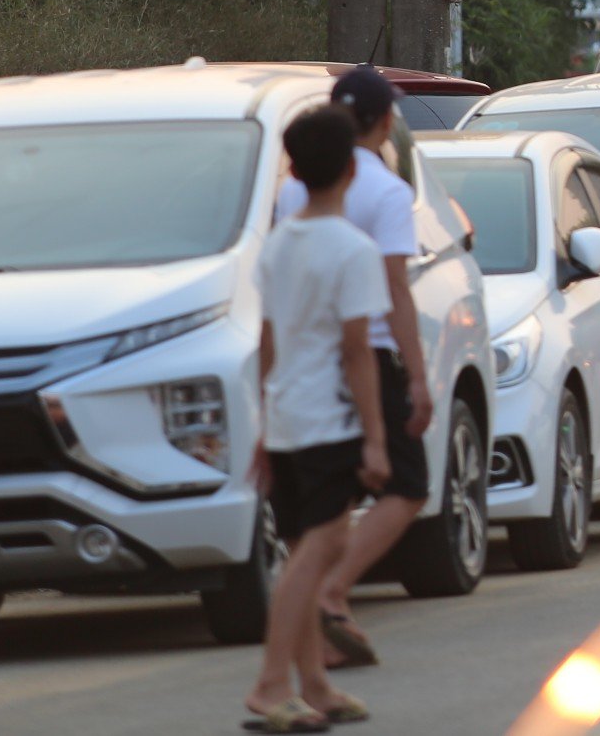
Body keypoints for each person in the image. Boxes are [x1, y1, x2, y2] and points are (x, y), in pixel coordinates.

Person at [274, 66, 430, 673]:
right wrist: (417, 375)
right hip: (368, 355)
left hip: (303, 364)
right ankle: (330, 594)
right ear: (385, 122)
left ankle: (311, 653)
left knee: (322, 510)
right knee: (408, 485)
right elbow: (395, 287)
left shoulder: (294, 191)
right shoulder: (388, 192)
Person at [245, 105, 389, 734]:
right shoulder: (355, 250)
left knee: (305, 545)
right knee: (320, 549)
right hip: (327, 420)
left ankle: (315, 686)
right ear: (352, 168)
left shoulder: (277, 244)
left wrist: (263, 424)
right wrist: (377, 438)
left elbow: (266, 340)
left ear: (296, 172)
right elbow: (358, 352)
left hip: (285, 417)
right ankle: (270, 682)